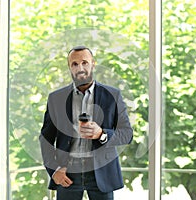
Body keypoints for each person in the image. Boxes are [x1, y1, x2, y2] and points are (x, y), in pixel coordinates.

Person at [39, 46, 133, 200]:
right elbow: (45, 139)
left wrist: (101, 134)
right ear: (69, 67)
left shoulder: (113, 95)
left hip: (101, 173)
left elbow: (127, 134)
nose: (80, 68)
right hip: (68, 174)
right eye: (74, 64)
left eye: (84, 62)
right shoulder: (56, 98)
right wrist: (54, 170)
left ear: (93, 64)